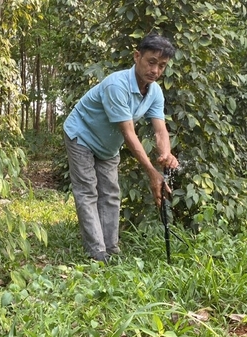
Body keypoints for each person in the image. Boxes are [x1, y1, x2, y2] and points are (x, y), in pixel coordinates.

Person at [63, 33, 179, 262]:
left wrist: (165, 154)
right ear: (137, 57)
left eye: (162, 66)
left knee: (111, 194)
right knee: (87, 192)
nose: (155, 70)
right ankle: (97, 254)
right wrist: (152, 173)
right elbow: (128, 134)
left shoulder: (154, 91)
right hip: (82, 134)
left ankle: (111, 250)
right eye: (151, 62)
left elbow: (160, 130)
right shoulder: (117, 85)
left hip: (107, 144)